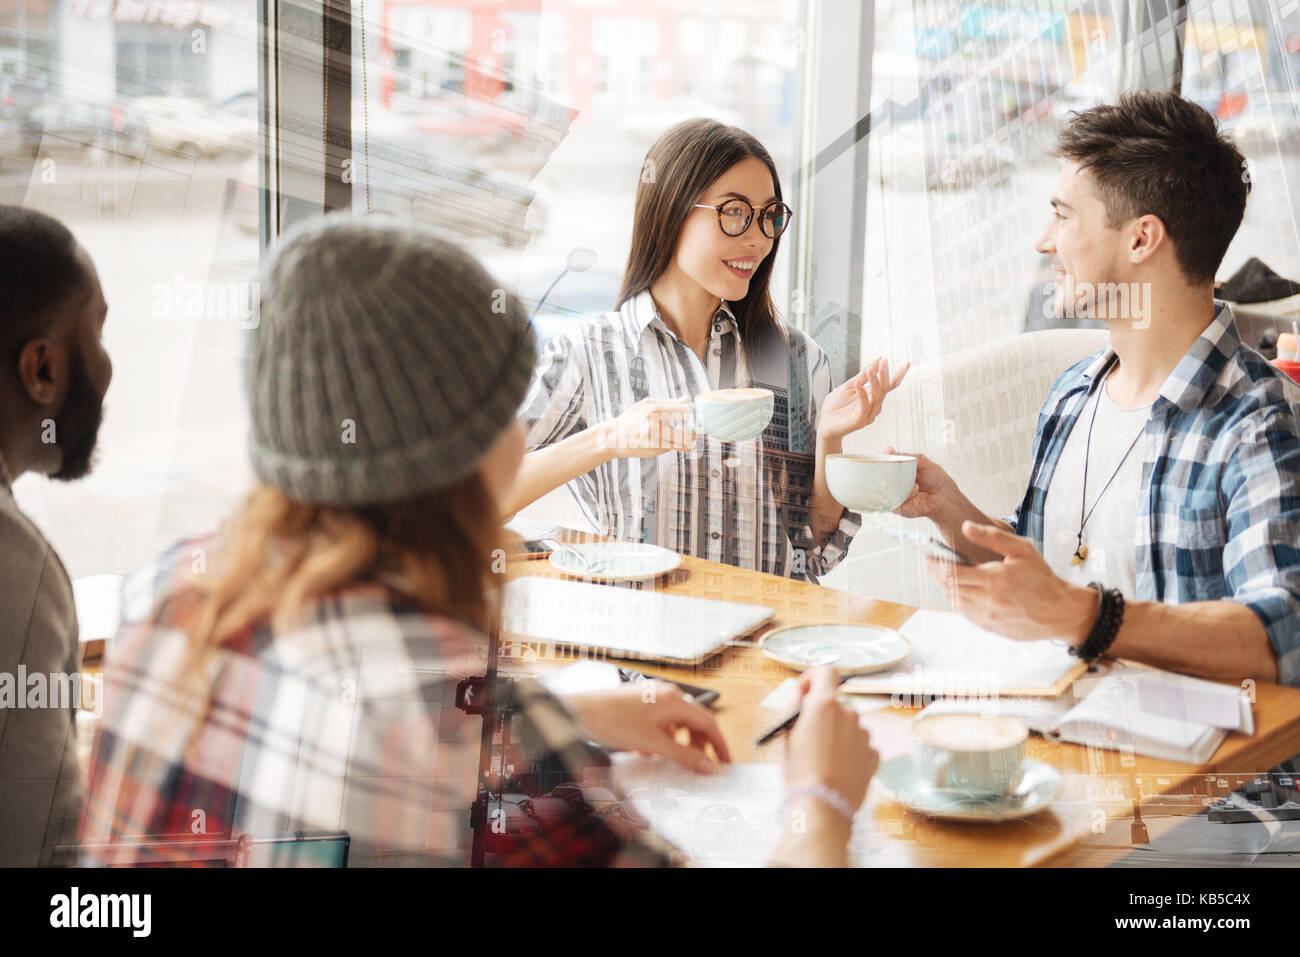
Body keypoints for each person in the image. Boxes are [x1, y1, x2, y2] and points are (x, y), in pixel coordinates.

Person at [81, 215, 878, 867]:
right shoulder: (483, 732)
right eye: (507, 406)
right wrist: (822, 800)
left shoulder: (163, 598)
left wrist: (573, 707)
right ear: (461, 449)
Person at [890, 91, 1300, 687]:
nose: (1044, 241)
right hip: (1064, 737)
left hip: (1193, 770)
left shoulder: (1257, 419)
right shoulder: (1073, 395)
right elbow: (1049, 577)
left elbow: (1283, 631)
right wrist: (949, 511)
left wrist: (1087, 617)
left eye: (1063, 214)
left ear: (1141, 239)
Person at [508, 119, 907, 583]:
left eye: (769, 215)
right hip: (644, 640)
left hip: (771, 640)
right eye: (734, 212)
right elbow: (480, 501)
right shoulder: (589, 354)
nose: (758, 238)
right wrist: (608, 439)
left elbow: (815, 548)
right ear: (672, 209)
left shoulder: (797, 359)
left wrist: (830, 440)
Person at [0, 206, 113, 865]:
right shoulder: (18, 570)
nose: (108, 367)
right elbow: (46, 861)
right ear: (41, 368)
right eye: (97, 332)